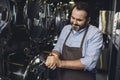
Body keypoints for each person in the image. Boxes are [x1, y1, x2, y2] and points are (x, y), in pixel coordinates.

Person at [45, 1, 103, 80]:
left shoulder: (95, 33)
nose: (74, 23)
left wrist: (60, 63)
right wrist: (53, 56)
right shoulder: (66, 29)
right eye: (72, 18)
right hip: (62, 77)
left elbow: (90, 63)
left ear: (88, 20)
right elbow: (57, 48)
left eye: (79, 20)